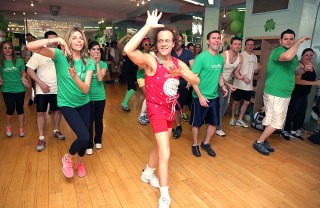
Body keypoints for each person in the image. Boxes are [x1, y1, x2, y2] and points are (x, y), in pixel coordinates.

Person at [124, 9, 199, 208]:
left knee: (159, 146)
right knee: (165, 152)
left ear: (174, 44)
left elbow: (196, 79)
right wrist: (148, 26)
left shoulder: (178, 63)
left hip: (170, 110)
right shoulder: (151, 60)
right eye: (160, 41)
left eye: (168, 40)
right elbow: (129, 50)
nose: (164, 43)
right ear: (157, 44)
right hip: (155, 110)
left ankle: (148, 173)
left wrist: (181, 74)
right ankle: (165, 195)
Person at [27, 27, 95, 178]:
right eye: (74, 37)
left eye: (81, 38)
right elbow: (30, 46)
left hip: (84, 102)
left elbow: (85, 90)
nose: (78, 41)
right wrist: (56, 40)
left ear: (84, 41)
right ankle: (68, 158)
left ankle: (80, 162)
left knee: (87, 137)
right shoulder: (59, 55)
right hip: (67, 103)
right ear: (68, 40)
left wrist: (75, 77)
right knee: (83, 136)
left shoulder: (88, 61)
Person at [252, 29, 310, 156]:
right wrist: (299, 42)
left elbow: (295, 71)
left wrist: (304, 69)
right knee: (277, 122)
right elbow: (287, 57)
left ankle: (264, 140)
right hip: (276, 93)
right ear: (280, 41)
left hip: (283, 93)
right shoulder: (278, 51)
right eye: (286, 38)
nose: (289, 41)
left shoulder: (293, 55)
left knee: (270, 119)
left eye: (291, 39)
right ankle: (259, 141)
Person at [190, 30, 228, 157]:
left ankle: (205, 143)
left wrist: (222, 86)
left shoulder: (220, 58)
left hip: (214, 97)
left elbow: (220, 75)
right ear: (208, 41)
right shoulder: (201, 57)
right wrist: (200, 96)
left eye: (218, 38)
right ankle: (195, 144)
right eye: (213, 38)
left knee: (214, 122)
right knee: (197, 123)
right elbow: (193, 79)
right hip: (199, 96)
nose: (216, 40)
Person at [26, 31, 65, 152]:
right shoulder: (38, 54)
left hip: (58, 89)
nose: (53, 42)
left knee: (58, 111)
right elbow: (30, 70)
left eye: (55, 40)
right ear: (46, 41)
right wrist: (41, 83)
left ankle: (56, 130)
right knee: (40, 113)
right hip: (42, 89)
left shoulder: (61, 54)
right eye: (50, 40)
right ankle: (41, 137)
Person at [281, 48, 318, 141]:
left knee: (301, 113)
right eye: (306, 55)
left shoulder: (311, 66)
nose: (309, 57)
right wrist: (314, 83)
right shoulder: (299, 65)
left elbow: (311, 79)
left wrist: (315, 82)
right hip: (296, 93)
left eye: (311, 55)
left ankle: (294, 131)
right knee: (291, 112)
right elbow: (297, 81)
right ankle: (285, 131)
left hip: (304, 94)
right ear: (302, 56)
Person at [0, 41, 30, 137]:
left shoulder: (19, 60)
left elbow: (23, 72)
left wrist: (23, 77)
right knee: (10, 108)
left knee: (20, 109)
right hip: (6, 89)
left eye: (9, 48)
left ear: (12, 49)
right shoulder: (1, 61)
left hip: (19, 88)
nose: (7, 50)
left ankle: (21, 128)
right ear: (2, 50)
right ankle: (8, 126)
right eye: (5, 48)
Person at [230, 38, 261, 128]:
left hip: (249, 86)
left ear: (254, 46)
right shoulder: (240, 56)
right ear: (245, 45)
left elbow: (254, 72)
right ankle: (232, 118)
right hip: (239, 84)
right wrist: (243, 79)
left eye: (252, 44)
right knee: (235, 102)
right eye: (248, 44)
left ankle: (239, 119)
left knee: (247, 102)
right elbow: (235, 71)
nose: (250, 46)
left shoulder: (254, 57)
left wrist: (258, 69)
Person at [215, 36, 243, 137]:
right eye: (235, 44)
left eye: (239, 44)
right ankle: (218, 127)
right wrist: (227, 84)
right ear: (230, 45)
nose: (237, 46)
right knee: (220, 105)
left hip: (228, 83)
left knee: (225, 107)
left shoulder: (240, 57)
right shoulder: (223, 55)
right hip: (218, 82)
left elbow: (236, 72)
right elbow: (219, 73)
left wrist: (242, 77)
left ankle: (215, 124)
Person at [85, 41, 108, 155]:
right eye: (93, 49)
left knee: (98, 120)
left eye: (98, 49)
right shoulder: (84, 63)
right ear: (89, 51)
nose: (96, 51)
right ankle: (89, 144)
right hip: (87, 96)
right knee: (88, 121)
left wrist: (97, 64)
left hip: (99, 96)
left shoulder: (103, 64)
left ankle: (98, 140)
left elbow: (100, 78)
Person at [171, 33, 194, 138]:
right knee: (172, 106)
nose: (178, 43)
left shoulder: (188, 53)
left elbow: (193, 68)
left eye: (180, 41)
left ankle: (178, 126)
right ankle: (174, 125)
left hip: (184, 84)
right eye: (176, 40)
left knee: (178, 106)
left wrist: (190, 80)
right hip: (170, 84)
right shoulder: (169, 52)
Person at [119, 34, 138, 112]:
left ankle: (125, 102)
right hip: (126, 72)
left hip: (132, 72)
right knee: (133, 88)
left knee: (130, 88)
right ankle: (124, 102)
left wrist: (132, 38)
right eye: (128, 42)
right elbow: (119, 42)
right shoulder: (125, 50)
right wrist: (126, 36)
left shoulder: (133, 51)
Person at [137, 37, 152, 125]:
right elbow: (140, 67)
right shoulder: (141, 55)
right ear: (143, 45)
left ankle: (145, 115)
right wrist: (149, 62)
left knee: (150, 97)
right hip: (141, 77)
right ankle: (141, 115)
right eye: (146, 44)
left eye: (149, 44)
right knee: (148, 96)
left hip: (149, 77)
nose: (148, 46)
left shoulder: (151, 54)